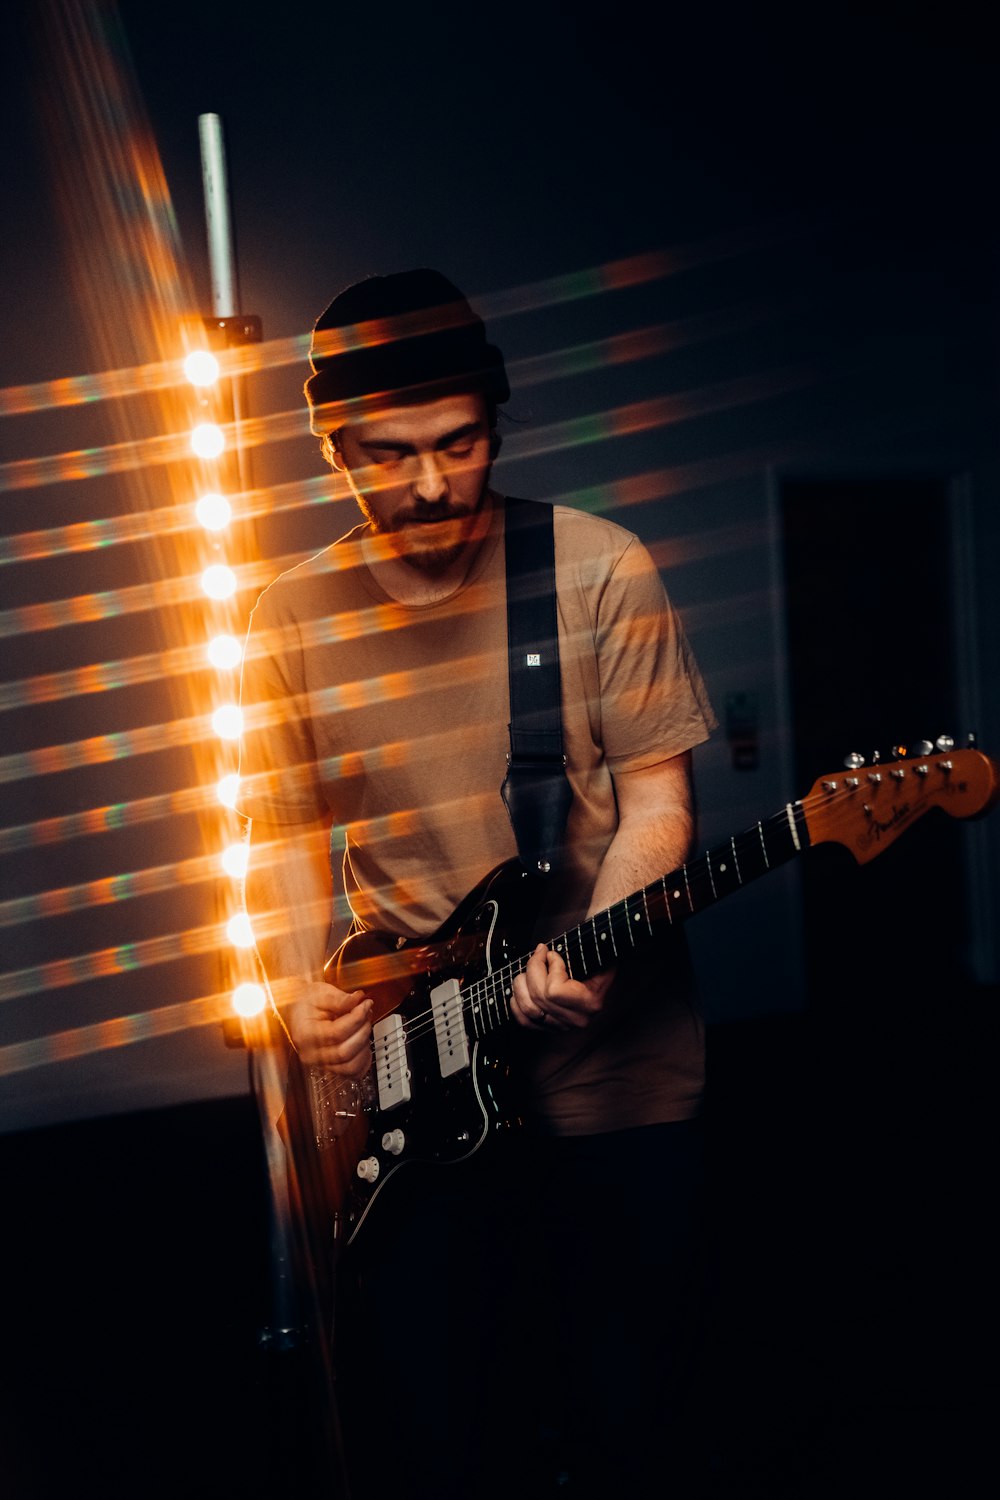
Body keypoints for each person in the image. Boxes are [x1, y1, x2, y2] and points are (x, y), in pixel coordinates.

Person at [237, 269, 717, 1499]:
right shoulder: (285, 617)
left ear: (495, 422)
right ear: (332, 451)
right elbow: (287, 840)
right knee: (442, 1419)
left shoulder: (597, 567)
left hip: (611, 1073)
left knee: (628, 1402)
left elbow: (659, 796)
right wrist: (291, 983)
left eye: (459, 443)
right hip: (409, 1077)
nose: (434, 484)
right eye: (388, 457)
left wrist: (600, 948)